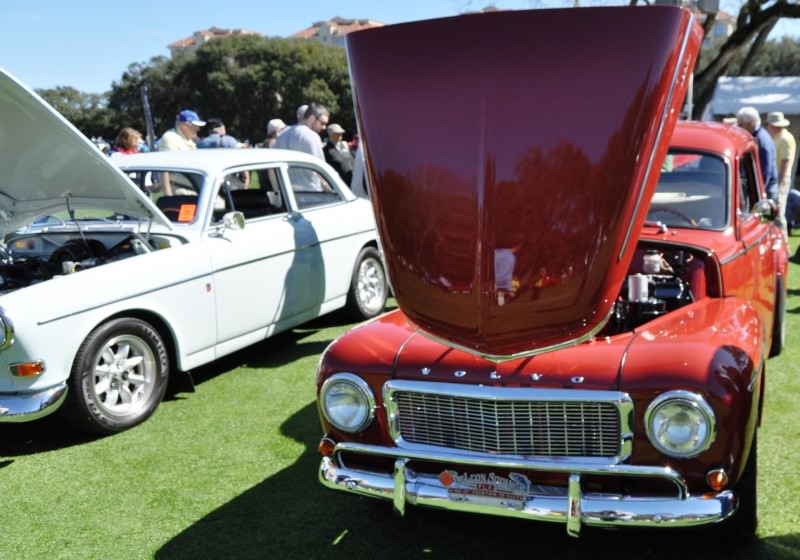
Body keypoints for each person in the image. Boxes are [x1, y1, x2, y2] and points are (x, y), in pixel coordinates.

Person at [736, 106, 778, 201]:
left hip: (767, 188)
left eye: (740, 125)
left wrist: (759, 194)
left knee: (765, 215)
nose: (738, 127)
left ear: (750, 124)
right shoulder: (757, 136)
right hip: (766, 186)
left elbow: (765, 170)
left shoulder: (761, 140)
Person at [765, 111, 797, 236]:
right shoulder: (776, 137)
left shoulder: (785, 138)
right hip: (776, 178)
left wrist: (778, 183)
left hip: (781, 179)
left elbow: (785, 163)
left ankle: (784, 245)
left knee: (778, 212)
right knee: (774, 211)